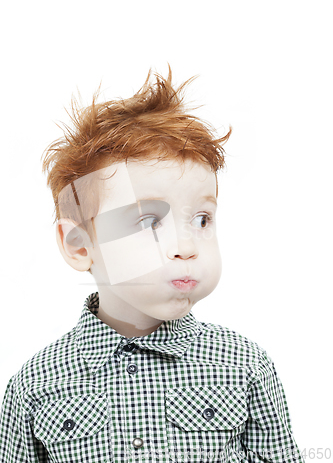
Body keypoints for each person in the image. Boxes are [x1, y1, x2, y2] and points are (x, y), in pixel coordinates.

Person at [0, 67, 304, 462]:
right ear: (79, 246)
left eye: (201, 219)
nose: (186, 246)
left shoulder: (245, 365)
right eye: (148, 222)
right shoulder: (36, 385)